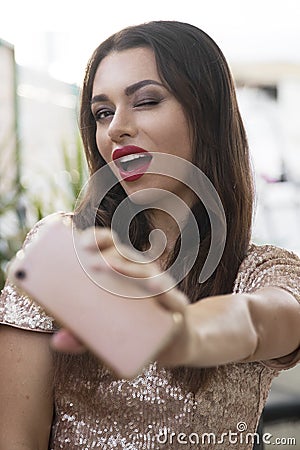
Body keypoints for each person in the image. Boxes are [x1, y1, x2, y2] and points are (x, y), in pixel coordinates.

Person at [0, 20, 300, 450]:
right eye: (102, 112)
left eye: (145, 101)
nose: (116, 127)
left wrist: (186, 334)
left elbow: (259, 321)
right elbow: (15, 439)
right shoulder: (68, 248)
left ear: (206, 113)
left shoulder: (265, 270)